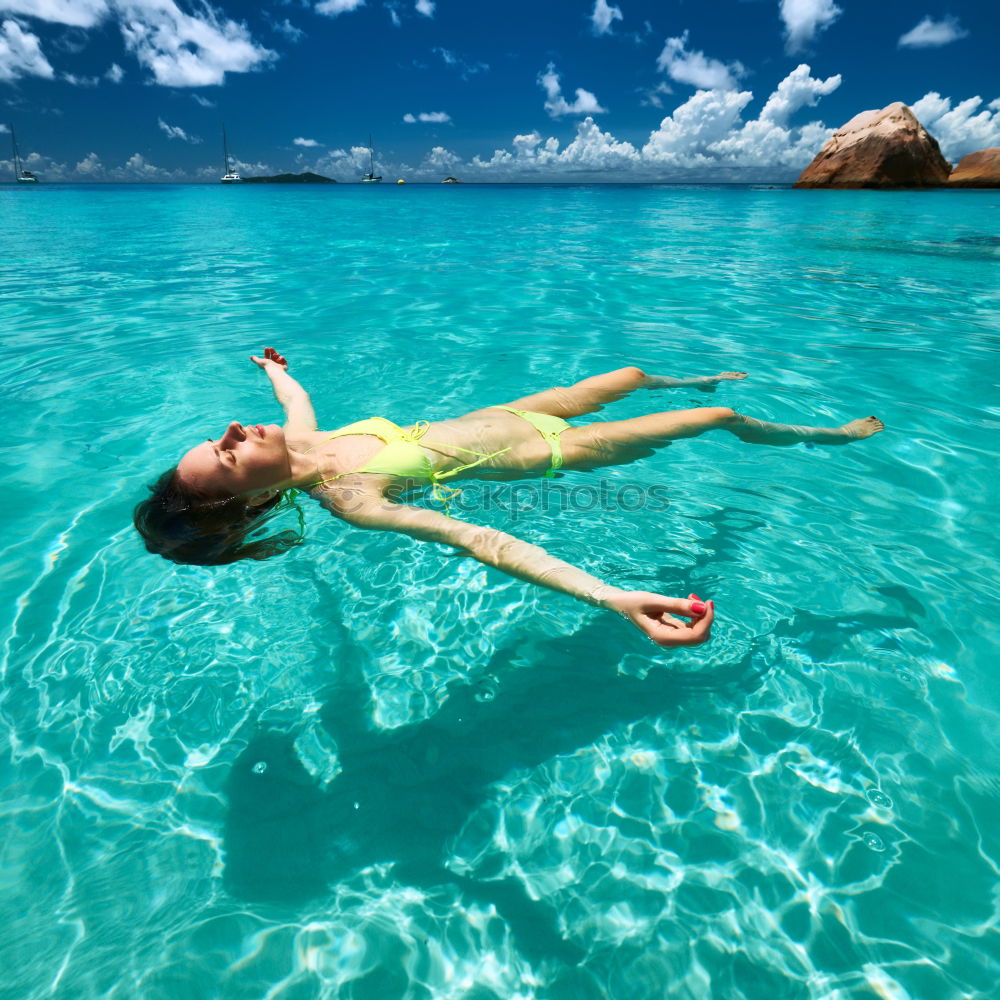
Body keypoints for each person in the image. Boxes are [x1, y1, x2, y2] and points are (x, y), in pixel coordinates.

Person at [134, 348, 883, 648]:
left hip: (514, 409)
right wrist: (608, 596)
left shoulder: (303, 441)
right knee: (716, 422)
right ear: (253, 501)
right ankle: (821, 436)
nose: (232, 431)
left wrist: (273, 368)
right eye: (227, 458)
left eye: (217, 437)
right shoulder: (349, 494)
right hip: (552, 449)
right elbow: (478, 542)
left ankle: (694, 380)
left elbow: (294, 393)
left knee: (626, 375)